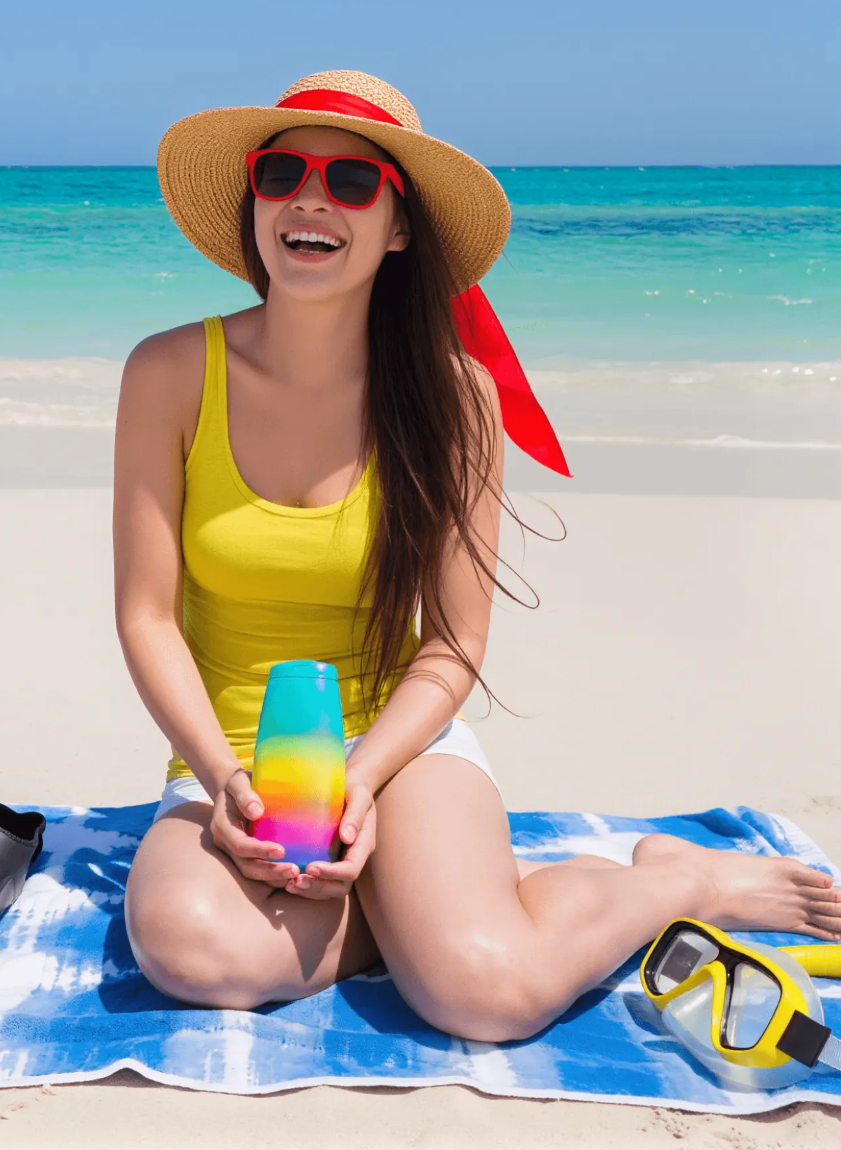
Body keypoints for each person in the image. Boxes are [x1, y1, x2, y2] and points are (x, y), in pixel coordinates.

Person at [113, 71, 840, 1039]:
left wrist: (364, 782)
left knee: (483, 997)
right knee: (199, 958)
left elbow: (453, 644)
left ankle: (678, 878)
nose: (311, 197)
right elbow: (146, 614)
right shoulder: (168, 369)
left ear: (400, 228)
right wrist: (221, 781)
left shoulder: (456, 397)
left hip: (400, 749)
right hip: (232, 751)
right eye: (281, 170)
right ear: (254, 204)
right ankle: (430, 904)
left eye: (353, 181)